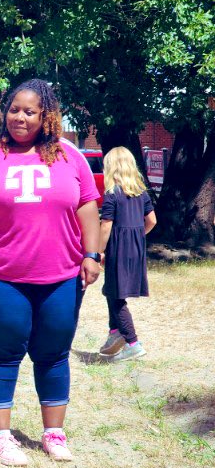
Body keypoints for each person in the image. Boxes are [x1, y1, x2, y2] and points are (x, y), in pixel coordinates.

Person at [0, 79, 100, 466]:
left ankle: (54, 433)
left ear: (46, 115)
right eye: (14, 109)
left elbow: (87, 207)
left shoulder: (70, 155)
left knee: (53, 352)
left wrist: (92, 254)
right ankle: (0, 436)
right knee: (3, 351)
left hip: (60, 275)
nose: (20, 117)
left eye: (30, 111)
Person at [98, 147, 157, 362]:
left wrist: (98, 251)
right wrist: (137, 235)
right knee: (112, 290)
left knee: (116, 297)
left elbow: (106, 225)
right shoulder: (141, 192)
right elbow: (152, 221)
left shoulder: (112, 193)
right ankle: (115, 333)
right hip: (135, 247)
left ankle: (132, 342)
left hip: (118, 248)